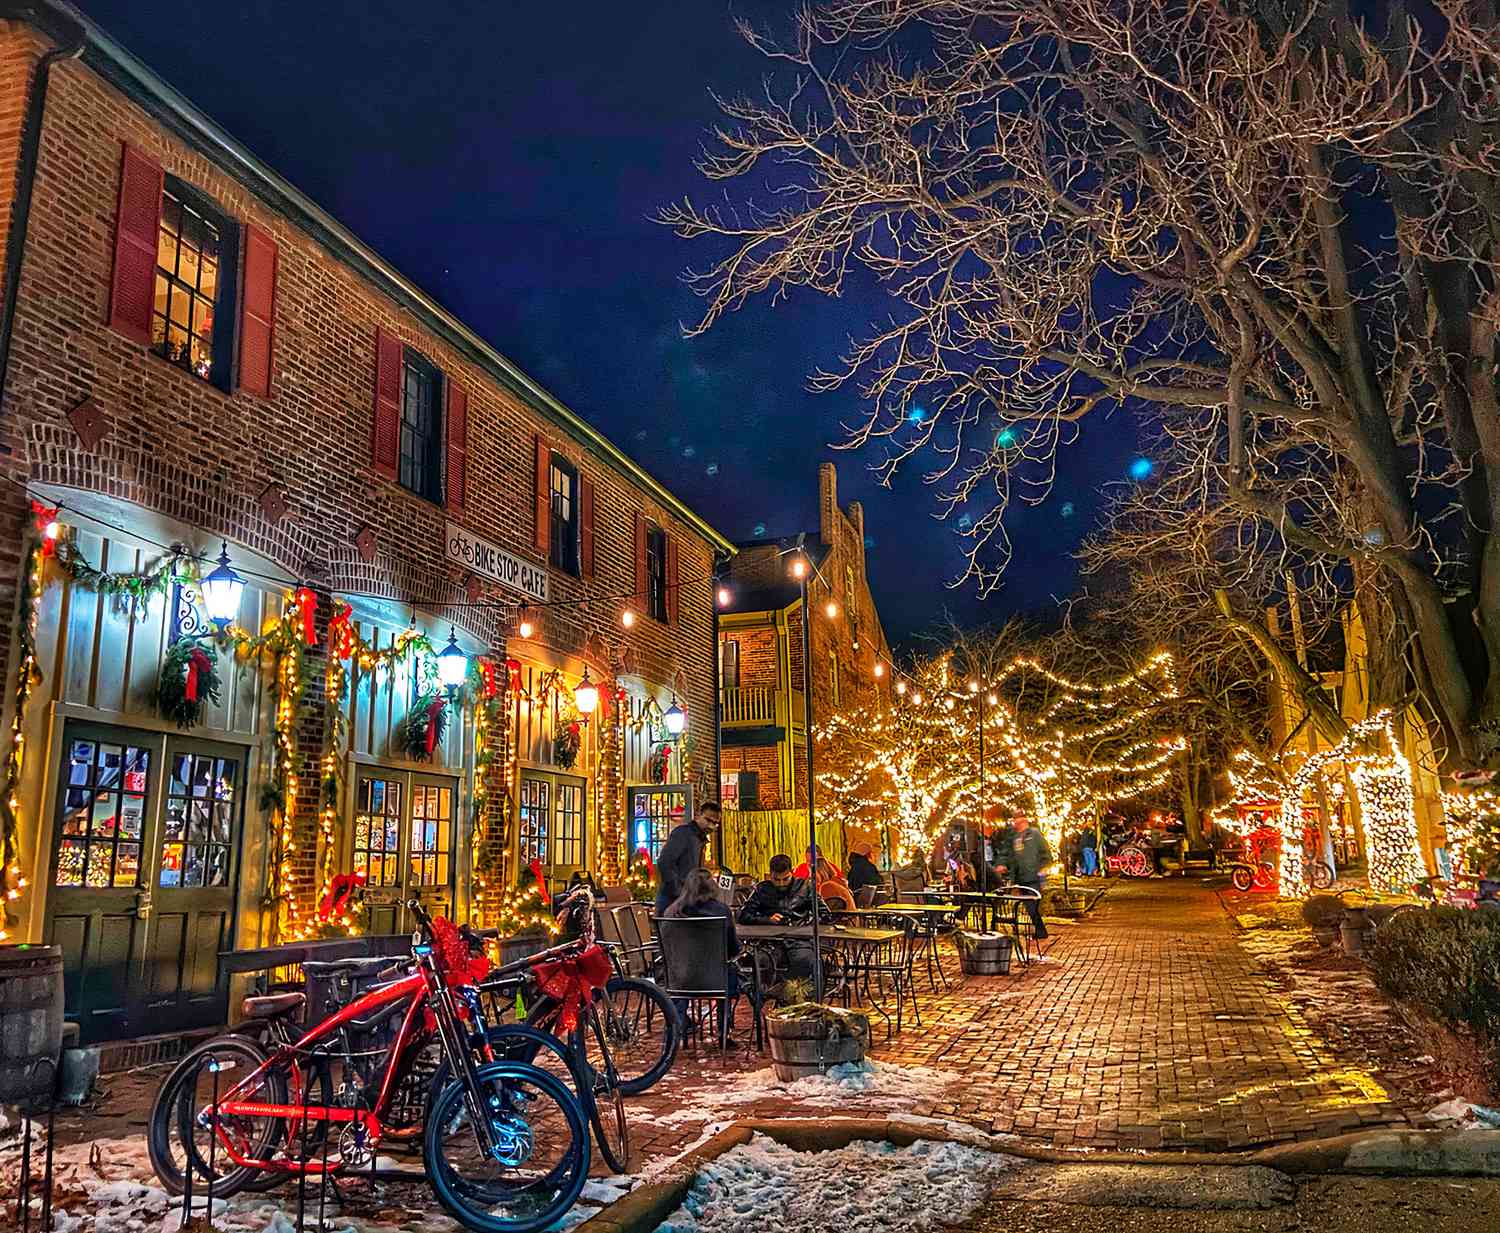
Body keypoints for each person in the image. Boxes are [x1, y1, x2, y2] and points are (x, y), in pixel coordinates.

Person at [664, 868, 742, 1044]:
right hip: (715, 979)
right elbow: (733, 950)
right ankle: (724, 1032)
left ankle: (675, 1032)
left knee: (680, 976)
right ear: (713, 887)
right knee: (730, 971)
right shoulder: (722, 911)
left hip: (680, 979)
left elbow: (667, 948)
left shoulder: (671, 912)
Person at [738, 854, 816, 981]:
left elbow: (823, 913)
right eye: (776, 880)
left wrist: (806, 926)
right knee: (760, 963)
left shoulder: (805, 887)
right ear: (770, 875)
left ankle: (796, 995)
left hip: (799, 941)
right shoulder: (762, 889)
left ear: (792, 872)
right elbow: (743, 915)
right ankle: (768, 995)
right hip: (770, 942)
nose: (781, 884)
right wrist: (767, 920)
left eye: (785, 879)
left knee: (806, 962)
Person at [655, 801, 720, 919]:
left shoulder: (699, 839)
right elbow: (664, 863)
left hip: (684, 901)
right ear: (698, 816)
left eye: (715, 823)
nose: (711, 826)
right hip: (672, 900)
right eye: (708, 820)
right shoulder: (683, 834)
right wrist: (679, 892)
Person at [1000, 814, 1051, 941]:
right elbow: (1008, 854)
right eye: (1014, 819)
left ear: (1024, 821)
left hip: (1033, 876)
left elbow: (1046, 853)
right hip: (1019, 877)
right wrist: (1002, 865)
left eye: (1018, 819)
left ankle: (1041, 932)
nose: (1015, 822)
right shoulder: (1014, 837)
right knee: (1027, 906)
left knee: (1031, 905)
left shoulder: (1034, 834)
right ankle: (1038, 931)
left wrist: (1042, 869)